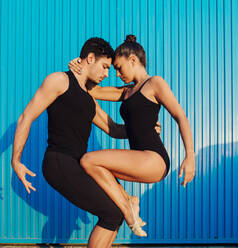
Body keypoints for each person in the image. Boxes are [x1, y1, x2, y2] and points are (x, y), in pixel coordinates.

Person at [11, 37, 158, 247]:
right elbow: (26, 116)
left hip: (79, 164)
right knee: (111, 211)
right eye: (105, 67)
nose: (107, 74)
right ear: (90, 58)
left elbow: (114, 129)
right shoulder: (59, 80)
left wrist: (144, 129)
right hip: (58, 161)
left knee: (115, 213)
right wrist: (16, 160)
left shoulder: (89, 98)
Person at [68, 34, 196, 237]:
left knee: (89, 160)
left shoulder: (154, 83)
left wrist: (190, 156)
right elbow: (93, 90)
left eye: (119, 67)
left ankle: (128, 208)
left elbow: (180, 116)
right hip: (140, 158)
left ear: (133, 60)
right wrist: (77, 66)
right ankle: (129, 200)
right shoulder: (126, 91)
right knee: (95, 168)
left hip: (154, 158)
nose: (117, 74)